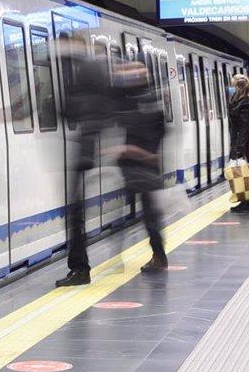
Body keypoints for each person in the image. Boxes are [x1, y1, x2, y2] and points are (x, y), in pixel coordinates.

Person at [56, 37, 117, 288]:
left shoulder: (87, 69)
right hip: (88, 150)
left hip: (86, 152)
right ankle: (81, 267)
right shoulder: (90, 68)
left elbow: (76, 109)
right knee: (76, 212)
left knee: (76, 212)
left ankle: (80, 269)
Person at [111, 61, 168, 272]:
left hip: (142, 165)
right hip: (141, 165)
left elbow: (144, 130)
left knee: (148, 214)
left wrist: (131, 151)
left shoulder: (142, 102)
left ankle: (158, 256)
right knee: (146, 213)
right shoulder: (148, 99)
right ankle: (156, 255)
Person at [226, 74, 249, 214]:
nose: (230, 89)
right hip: (246, 143)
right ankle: (245, 200)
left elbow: (245, 128)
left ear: (238, 88)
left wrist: (240, 149)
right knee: (246, 172)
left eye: (232, 86)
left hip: (247, 144)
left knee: (248, 173)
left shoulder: (245, 103)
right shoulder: (244, 101)